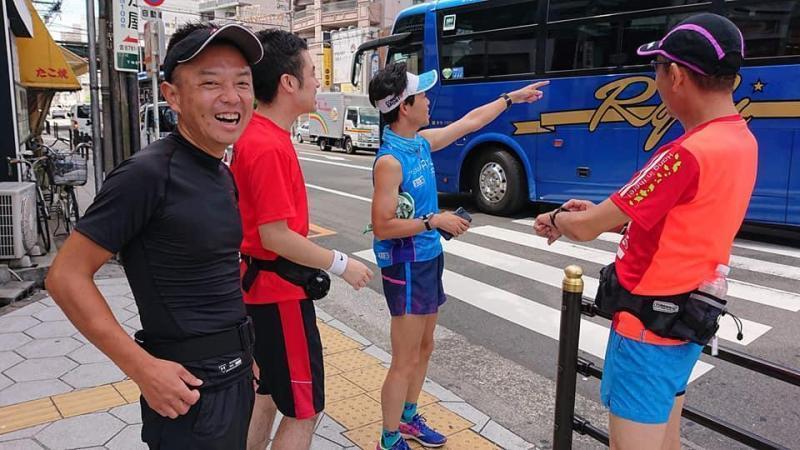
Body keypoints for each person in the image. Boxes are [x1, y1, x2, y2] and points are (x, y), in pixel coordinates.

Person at [533, 13, 757, 450]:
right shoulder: (741, 141)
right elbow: (682, 218)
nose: (656, 81)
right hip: (689, 317)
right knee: (665, 440)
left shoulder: (683, 154)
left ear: (675, 75)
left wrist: (559, 219)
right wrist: (602, 214)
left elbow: (586, 228)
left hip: (647, 327)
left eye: (656, 70)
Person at [45, 23, 263, 449]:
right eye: (210, 83)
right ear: (172, 96)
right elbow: (65, 276)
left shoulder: (219, 170)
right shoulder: (148, 173)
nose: (231, 97)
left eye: (242, 83)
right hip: (186, 392)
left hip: (232, 377)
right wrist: (142, 368)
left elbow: (213, 273)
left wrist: (244, 355)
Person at [368, 63, 548, 449]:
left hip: (428, 258)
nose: (429, 100)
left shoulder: (419, 143)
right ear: (404, 107)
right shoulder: (389, 162)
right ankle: (388, 437)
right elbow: (383, 226)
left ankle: (409, 417)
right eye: (422, 96)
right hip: (407, 264)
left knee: (425, 345)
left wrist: (510, 98)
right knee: (404, 357)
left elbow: (469, 123)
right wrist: (435, 220)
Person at [231, 30, 374, 450]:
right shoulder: (268, 145)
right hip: (280, 294)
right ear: (288, 83)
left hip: (258, 288)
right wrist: (342, 264)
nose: (318, 81)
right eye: (312, 72)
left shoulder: (256, 135)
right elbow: (275, 235)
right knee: (304, 409)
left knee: (268, 392)